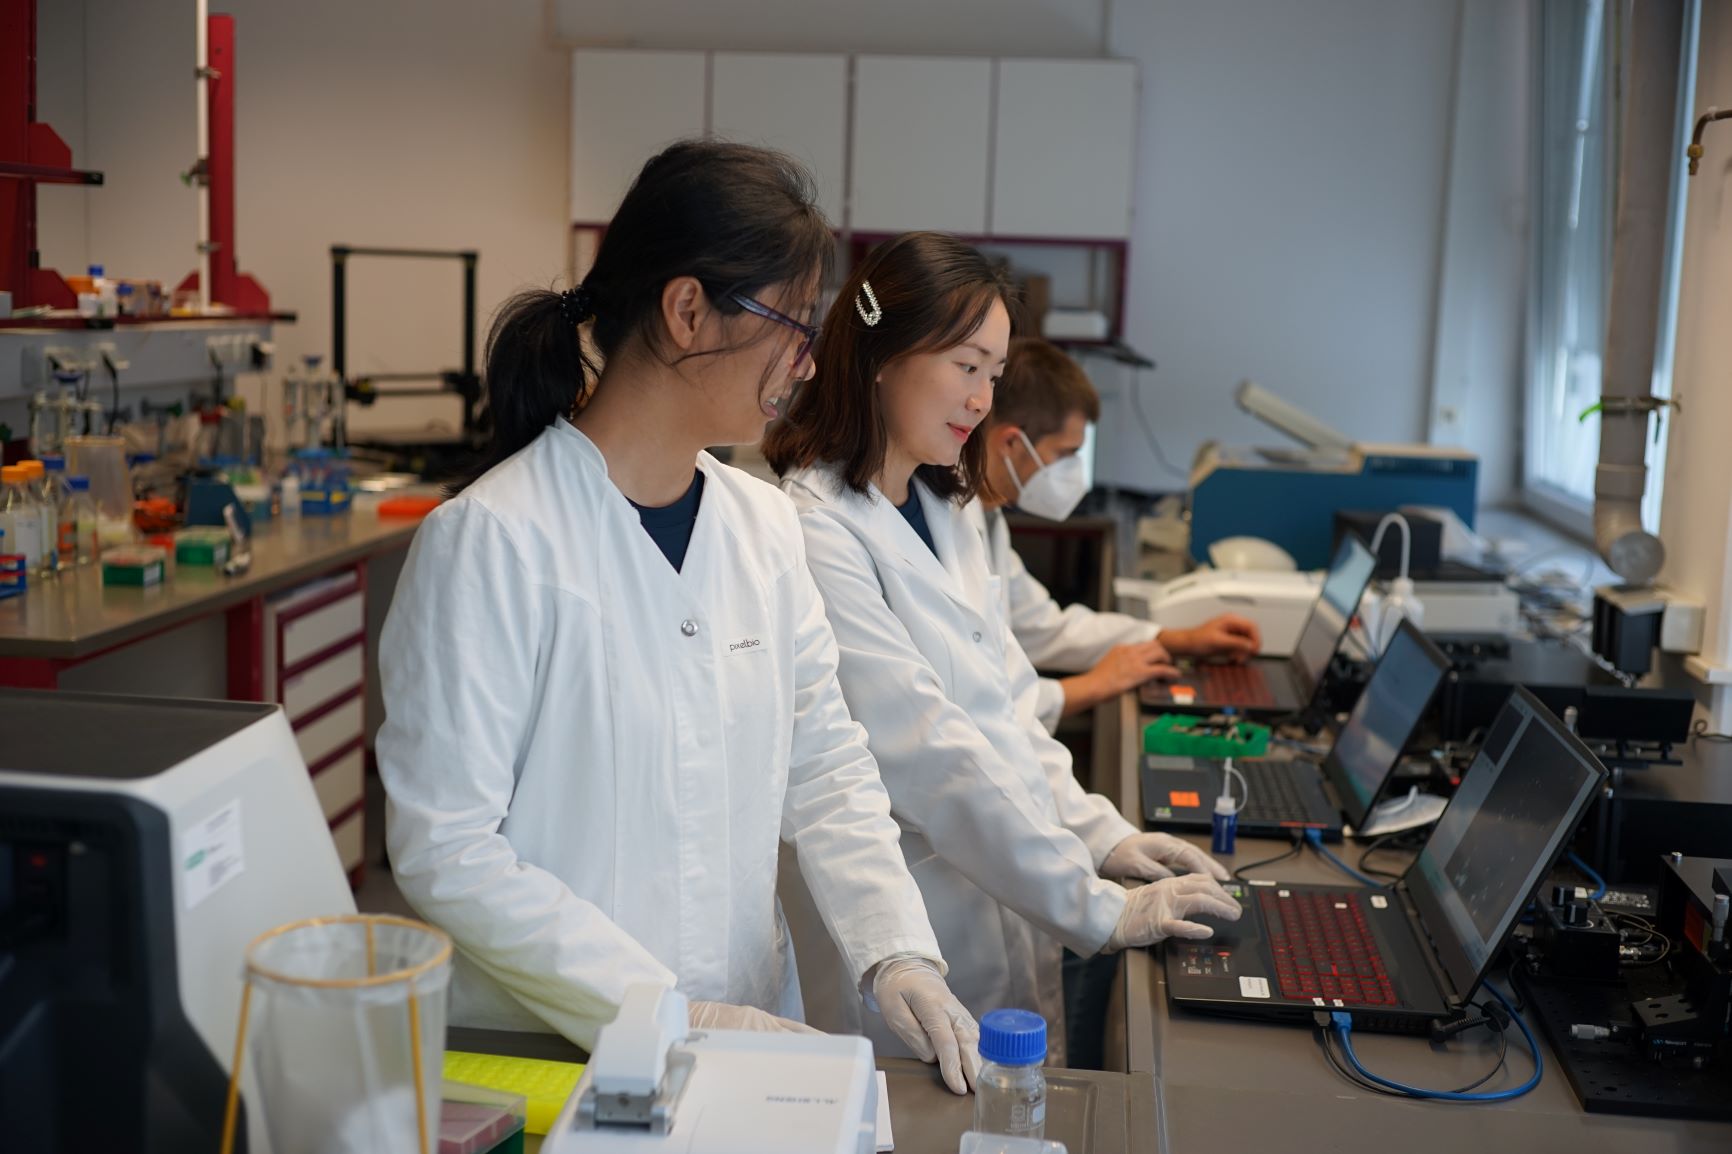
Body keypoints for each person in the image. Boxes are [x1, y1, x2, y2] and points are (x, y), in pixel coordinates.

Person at [377, 143, 980, 1094]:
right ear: (687, 310)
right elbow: (446, 848)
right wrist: (664, 1011)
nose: (806, 361)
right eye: (792, 323)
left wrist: (896, 950)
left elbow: (822, 763)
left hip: (748, 1036)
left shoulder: (763, 524)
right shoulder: (492, 540)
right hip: (563, 1057)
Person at [763, 232, 1240, 1064]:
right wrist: (1096, 907)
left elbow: (1006, 709)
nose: (983, 399)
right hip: (918, 917)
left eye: (992, 372)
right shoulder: (819, 530)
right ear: (883, 355)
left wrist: (1102, 838)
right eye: (965, 365)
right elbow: (930, 755)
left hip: (1006, 888)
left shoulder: (947, 509)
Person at [973, 337, 1263, 733]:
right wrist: (1094, 684)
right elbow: (980, 706)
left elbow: (1044, 628)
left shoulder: (989, 519)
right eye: (1064, 454)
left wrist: (1175, 639)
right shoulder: (951, 533)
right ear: (1010, 442)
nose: (1074, 471)